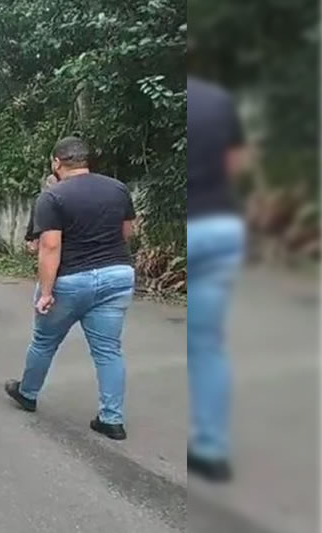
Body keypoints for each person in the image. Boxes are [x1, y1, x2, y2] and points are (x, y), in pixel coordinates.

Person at [4, 137, 136, 442]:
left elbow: (50, 247)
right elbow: (128, 232)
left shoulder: (52, 196)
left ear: (56, 162)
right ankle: (112, 420)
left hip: (72, 280)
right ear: (86, 160)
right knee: (108, 350)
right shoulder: (117, 188)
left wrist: (46, 292)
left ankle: (28, 394)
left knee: (44, 341)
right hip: (116, 275)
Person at [186, 76, 247, 482]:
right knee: (208, 344)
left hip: (194, 226)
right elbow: (238, 164)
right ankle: (212, 448)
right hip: (223, 225)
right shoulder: (220, 98)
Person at [24, 174, 60, 254]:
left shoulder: (43, 200)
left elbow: (36, 221)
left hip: (47, 240)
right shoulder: (68, 199)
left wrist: (32, 240)